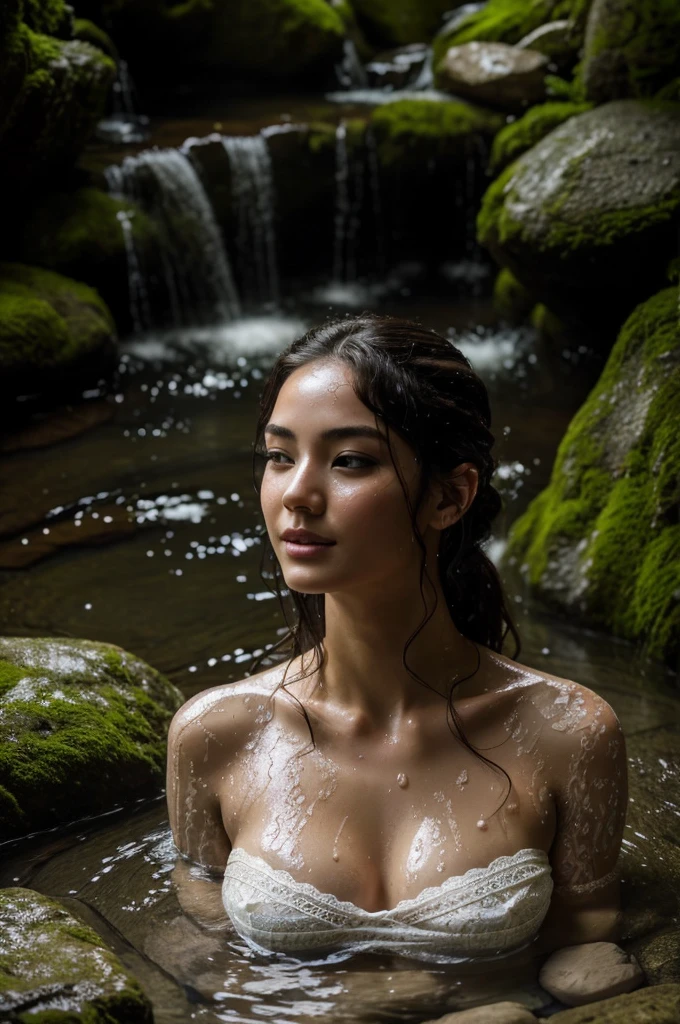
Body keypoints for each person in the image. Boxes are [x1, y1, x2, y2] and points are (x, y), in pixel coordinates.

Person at [167, 315, 627, 961]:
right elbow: (202, 944)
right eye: (279, 456)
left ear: (449, 495)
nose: (295, 494)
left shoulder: (569, 733)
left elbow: (588, 939)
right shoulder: (215, 734)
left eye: (350, 460)